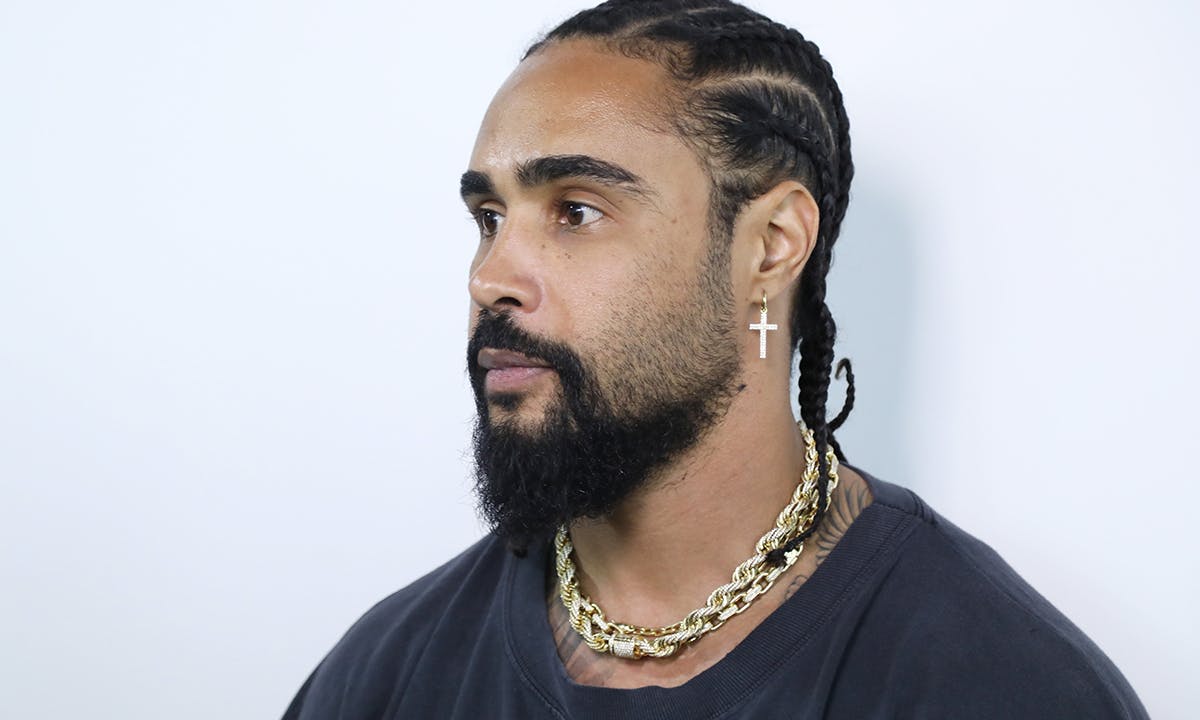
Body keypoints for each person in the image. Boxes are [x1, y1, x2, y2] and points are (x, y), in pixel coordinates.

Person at [283, 1, 1148, 717]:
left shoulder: (996, 684)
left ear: (770, 246)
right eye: (489, 218)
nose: (490, 278)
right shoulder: (386, 676)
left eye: (576, 211)